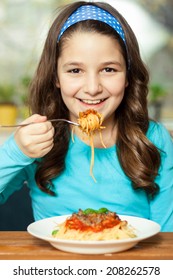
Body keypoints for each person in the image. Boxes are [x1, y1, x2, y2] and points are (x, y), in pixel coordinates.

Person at [0, 1, 173, 232]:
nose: (92, 88)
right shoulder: (38, 142)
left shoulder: (153, 139)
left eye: (109, 69)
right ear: (56, 77)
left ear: (129, 76)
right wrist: (16, 150)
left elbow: (167, 235)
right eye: (75, 71)